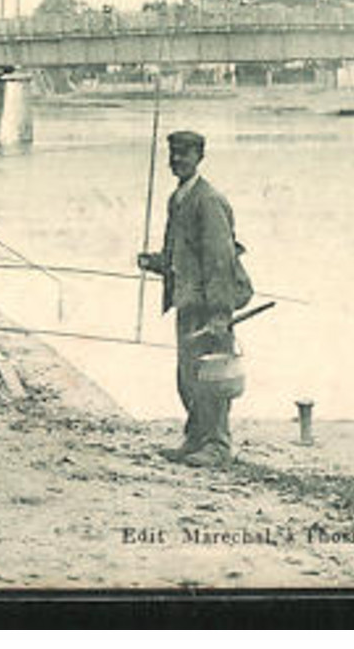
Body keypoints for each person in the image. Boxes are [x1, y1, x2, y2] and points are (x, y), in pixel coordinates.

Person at [137, 130, 253, 469]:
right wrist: (156, 262)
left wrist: (220, 314)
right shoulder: (178, 198)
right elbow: (184, 256)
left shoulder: (209, 200)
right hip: (186, 301)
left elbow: (220, 261)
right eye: (172, 153)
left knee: (212, 375)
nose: (177, 160)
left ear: (200, 156)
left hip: (209, 305)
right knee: (188, 375)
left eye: (184, 154)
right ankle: (195, 439)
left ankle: (217, 444)